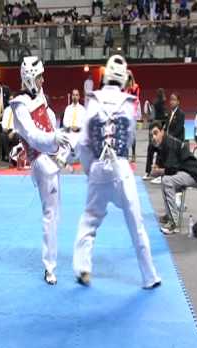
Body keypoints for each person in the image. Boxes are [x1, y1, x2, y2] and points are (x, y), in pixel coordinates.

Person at [73, 55, 162, 289]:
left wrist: (89, 169)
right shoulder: (129, 103)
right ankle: (149, 275)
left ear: (104, 77)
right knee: (136, 223)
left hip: (98, 169)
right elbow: (130, 136)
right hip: (121, 169)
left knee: (89, 220)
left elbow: (83, 143)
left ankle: (83, 266)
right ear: (123, 79)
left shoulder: (92, 101)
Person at [10, 56, 71, 285]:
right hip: (40, 161)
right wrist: (55, 139)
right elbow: (33, 137)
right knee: (50, 215)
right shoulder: (19, 104)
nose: (43, 80)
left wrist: (59, 136)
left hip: (52, 154)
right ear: (29, 79)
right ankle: (49, 267)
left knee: (55, 214)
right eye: (39, 77)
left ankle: (50, 263)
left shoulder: (39, 95)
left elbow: (49, 118)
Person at [149, 120, 197, 234]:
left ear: (162, 132)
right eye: (151, 135)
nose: (153, 137)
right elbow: (161, 163)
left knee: (167, 180)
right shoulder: (162, 144)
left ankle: (174, 223)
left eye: (155, 133)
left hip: (192, 173)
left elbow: (172, 169)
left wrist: (158, 171)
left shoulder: (169, 144)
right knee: (165, 179)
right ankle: (169, 216)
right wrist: (156, 167)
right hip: (184, 171)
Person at [143, 88, 168, 181]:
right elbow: (164, 117)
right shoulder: (161, 104)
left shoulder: (155, 103)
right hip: (158, 129)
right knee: (159, 149)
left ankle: (148, 172)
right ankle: (157, 173)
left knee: (151, 149)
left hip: (154, 128)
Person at [124, 70, 141, 162]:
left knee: (133, 135)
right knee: (125, 134)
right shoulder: (124, 88)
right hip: (125, 113)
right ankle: (125, 155)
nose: (128, 79)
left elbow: (137, 99)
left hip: (133, 113)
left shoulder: (136, 87)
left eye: (129, 77)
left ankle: (134, 154)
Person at [0, 93, 20, 162]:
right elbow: (3, 122)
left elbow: (19, 124)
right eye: (10, 99)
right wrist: (4, 128)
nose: (11, 101)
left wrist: (13, 132)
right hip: (7, 130)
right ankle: (8, 155)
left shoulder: (18, 110)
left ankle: (14, 156)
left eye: (13, 99)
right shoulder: (6, 110)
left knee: (17, 136)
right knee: (2, 136)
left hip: (15, 130)